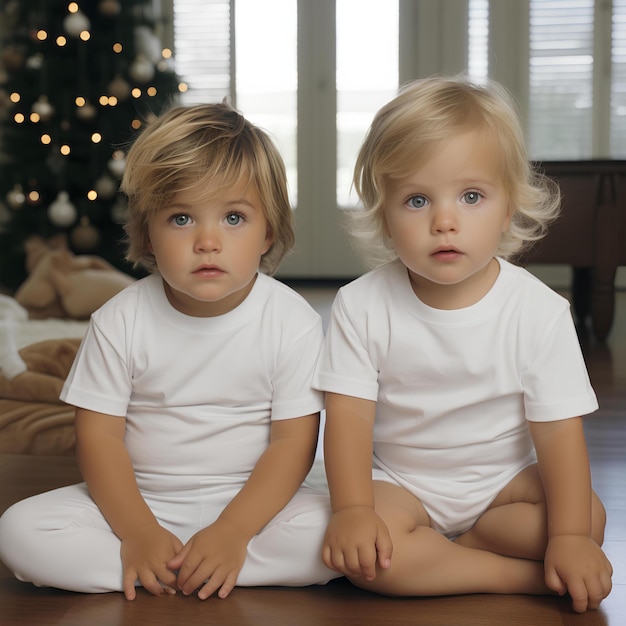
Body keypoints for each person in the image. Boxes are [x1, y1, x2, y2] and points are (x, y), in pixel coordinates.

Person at [0, 102, 339, 600]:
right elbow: (99, 438)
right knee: (20, 531)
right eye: (181, 217)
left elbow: (293, 445)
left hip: (257, 506)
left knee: (338, 529)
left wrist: (234, 531)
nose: (207, 240)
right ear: (149, 234)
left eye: (233, 217)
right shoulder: (120, 320)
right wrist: (136, 531)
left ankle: (190, 565)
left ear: (268, 230)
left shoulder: (293, 323)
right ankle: (168, 561)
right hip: (138, 502)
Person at [313, 75, 613, 614]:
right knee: (364, 556)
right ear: (384, 214)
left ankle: (457, 555)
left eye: (471, 196)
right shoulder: (361, 305)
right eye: (417, 199)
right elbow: (348, 422)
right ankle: (514, 577)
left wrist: (568, 538)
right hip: (403, 484)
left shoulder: (539, 312)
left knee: (587, 518)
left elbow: (559, 435)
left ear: (508, 208)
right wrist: (354, 509)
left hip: (505, 486)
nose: (444, 221)